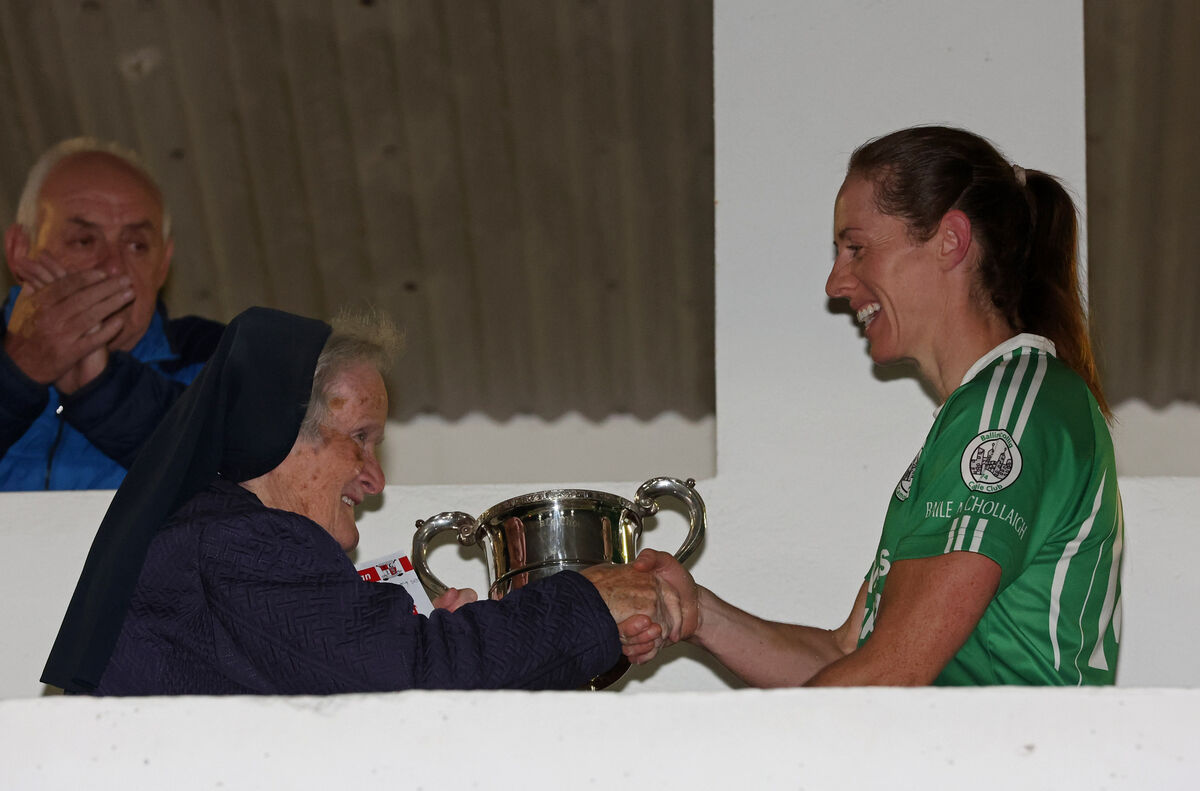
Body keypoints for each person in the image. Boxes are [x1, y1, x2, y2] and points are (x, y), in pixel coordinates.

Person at [630, 125, 1124, 686]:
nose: (835, 282)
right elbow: (850, 654)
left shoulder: (1006, 416)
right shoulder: (986, 412)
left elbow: (888, 676)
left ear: (949, 241)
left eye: (856, 248)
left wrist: (734, 755)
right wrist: (699, 614)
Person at [42, 307, 680, 695]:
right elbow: (408, 675)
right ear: (279, 431)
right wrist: (590, 601)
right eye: (360, 440)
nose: (375, 480)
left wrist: (449, 643)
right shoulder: (240, 543)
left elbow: (380, 694)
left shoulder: (216, 545)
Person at [1, 138, 223, 490]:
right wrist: (18, 372)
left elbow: (254, 484)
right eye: (84, 241)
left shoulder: (218, 357)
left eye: (136, 246)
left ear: (162, 265)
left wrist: (105, 390)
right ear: (20, 252)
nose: (113, 267)